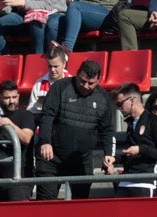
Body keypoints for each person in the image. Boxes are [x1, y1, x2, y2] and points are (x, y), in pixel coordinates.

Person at [35, 58, 115, 198]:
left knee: (80, 206)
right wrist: (45, 141)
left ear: (98, 80)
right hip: (52, 157)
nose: (85, 86)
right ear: (77, 74)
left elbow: (107, 129)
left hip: (81, 160)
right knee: (45, 205)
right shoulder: (60, 87)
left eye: (91, 83)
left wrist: (109, 154)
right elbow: (47, 116)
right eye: (82, 81)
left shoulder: (103, 97)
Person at [107, 84, 157, 195]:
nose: (119, 108)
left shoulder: (155, 122)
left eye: (120, 104)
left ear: (132, 100)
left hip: (146, 180)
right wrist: (114, 159)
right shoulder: (131, 123)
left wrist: (141, 150)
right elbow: (131, 154)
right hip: (126, 179)